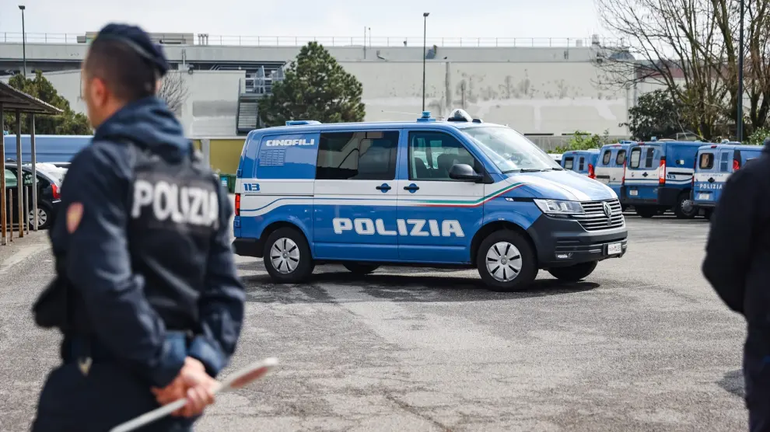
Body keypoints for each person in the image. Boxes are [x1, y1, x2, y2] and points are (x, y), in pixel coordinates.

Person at [30, 23, 245, 432]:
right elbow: (225, 292)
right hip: (176, 401)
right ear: (156, 88)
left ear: (98, 90)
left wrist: (170, 367)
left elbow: (107, 282)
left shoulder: (101, 166)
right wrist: (199, 363)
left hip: (101, 391)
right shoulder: (202, 179)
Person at [703, 138, 770, 432]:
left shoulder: (751, 180)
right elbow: (721, 266)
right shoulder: (752, 181)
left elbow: (720, 266)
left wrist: (757, 308)